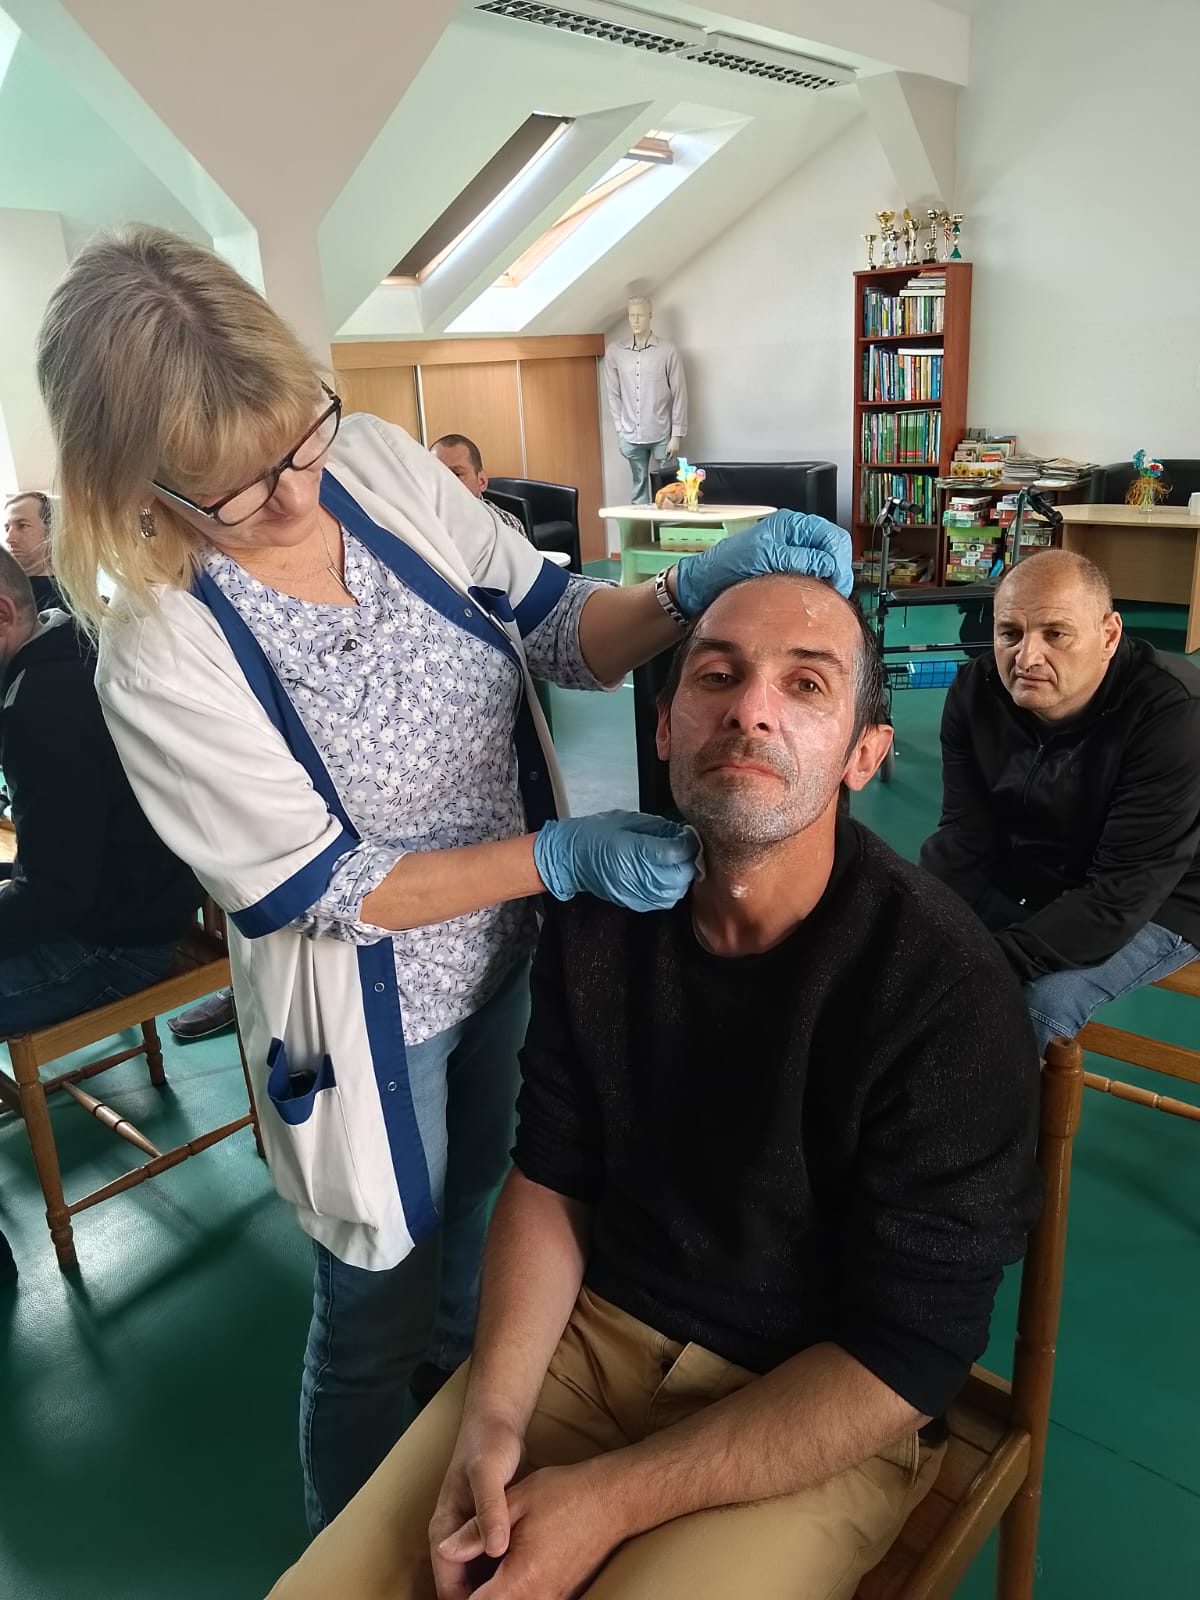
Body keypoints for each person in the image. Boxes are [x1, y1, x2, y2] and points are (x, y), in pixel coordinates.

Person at [35, 224, 856, 1534]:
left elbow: (556, 626)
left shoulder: (368, 464)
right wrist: (555, 854)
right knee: (373, 1306)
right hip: (372, 1014)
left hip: (513, 960)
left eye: (296, 443)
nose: (293, 496)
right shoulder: (158, 648)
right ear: (136, 484)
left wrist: (682, 590)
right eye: (239, 489)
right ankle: (348, 1533)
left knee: (491, 1223)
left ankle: (465, 1469)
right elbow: (317, 886)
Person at [267, 573, 1040, 1600]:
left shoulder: (944, 991)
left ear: (866, 753)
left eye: (807, 684)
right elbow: (552, 1175)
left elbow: (909, 1352)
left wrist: (609, 1501)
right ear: (667, 726)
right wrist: (489, 1419)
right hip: (592, 1337)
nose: (751, 707)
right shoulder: (601, 916)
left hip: (812, 1405)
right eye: (717, 674)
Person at [921, 548, 1200, 1054]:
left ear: (1109, 635)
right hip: (1039, 865)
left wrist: (990, 964)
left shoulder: (1173, 713)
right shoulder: (975, 692)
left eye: (1056, 634)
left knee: (1028, 1006)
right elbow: (965, 834)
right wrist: (921, 924)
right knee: (909, 952)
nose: (1026, 658)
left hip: (1163, 893)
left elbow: (1121, 892)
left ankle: (990, 1108)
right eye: (1010, 634)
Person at [0, 549, 201, 1033]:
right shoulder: (75, 638)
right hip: (145, 895)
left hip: (116, 944)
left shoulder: (38, 710)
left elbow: (57, 894)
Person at [429, 436, 528, 540]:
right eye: (436, 473)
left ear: (481, 481)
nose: (444, 482)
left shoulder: (508, 526)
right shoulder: (422, 523)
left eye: (457, 474)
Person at [4, 492, 65, 611]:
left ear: (52, 531)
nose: (9, 539)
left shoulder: (63, 604)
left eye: (23, 526)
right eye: (7, 528)